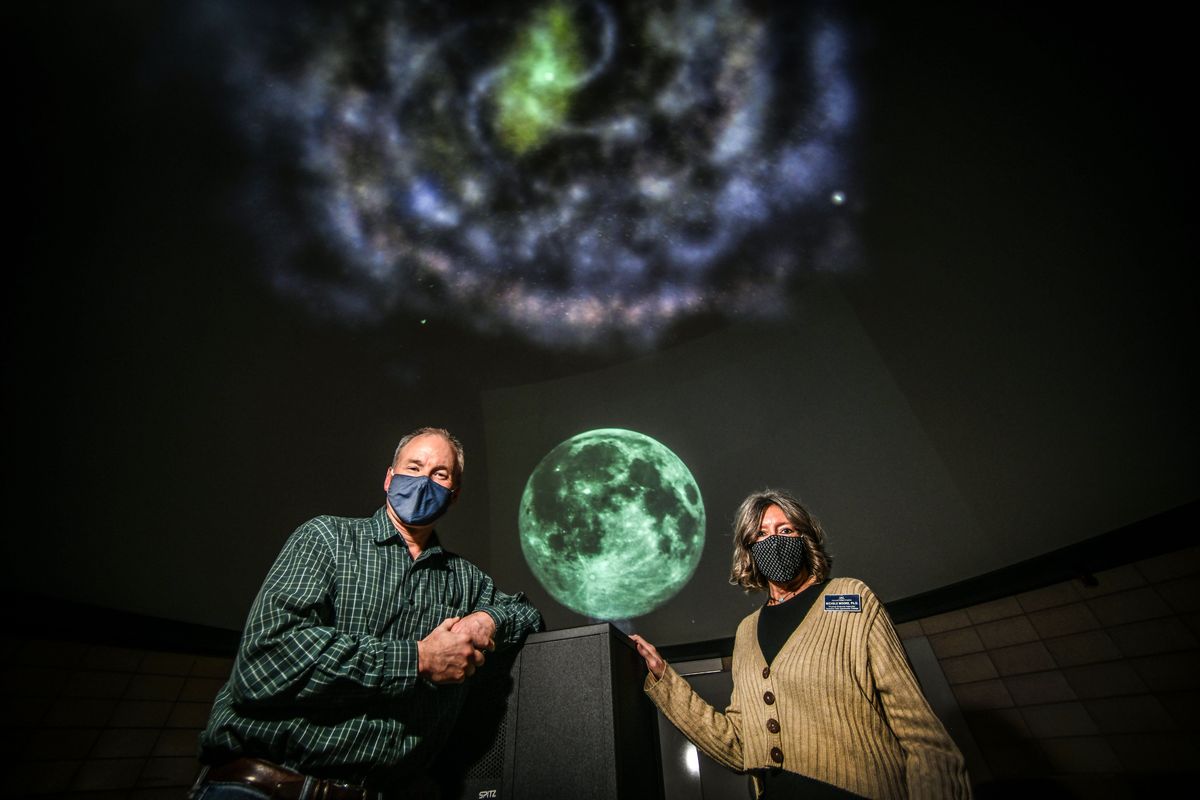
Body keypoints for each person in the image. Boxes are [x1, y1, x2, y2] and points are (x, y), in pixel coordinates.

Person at [193, 427, 544, 800]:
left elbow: (525, 613)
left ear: (453, 496)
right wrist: (418, 659)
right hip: (263, 788)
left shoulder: (464, 580)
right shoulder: (327, 538)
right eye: (413, 467)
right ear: (389, 478)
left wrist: (486, 619)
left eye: (439, 474)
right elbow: (265, 660)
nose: (423, 481)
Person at [631, 489, 971, 799]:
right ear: (749, 552)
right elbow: (739, 746)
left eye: (786, 530)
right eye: (761, 534)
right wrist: (665, 681)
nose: (774, 541)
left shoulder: (849, 598)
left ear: (804, 539)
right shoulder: (746, 632)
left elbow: (923, 738)